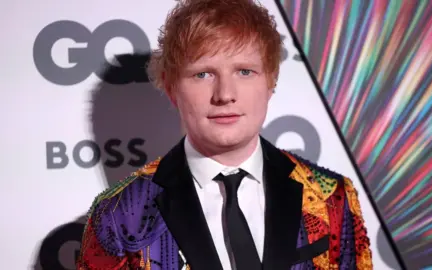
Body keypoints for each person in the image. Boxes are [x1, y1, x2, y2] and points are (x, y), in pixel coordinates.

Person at [77, 0, 373, 269]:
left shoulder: (332, 196)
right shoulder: (117, 214)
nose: (225, 95)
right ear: (171, 89)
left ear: (271, 81)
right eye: (202, 74)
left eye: (244, 71)